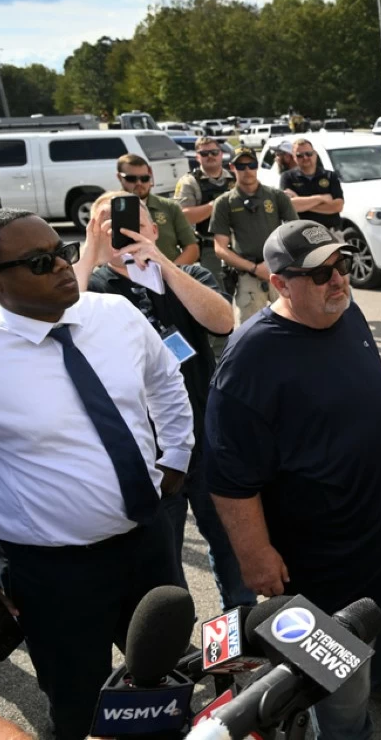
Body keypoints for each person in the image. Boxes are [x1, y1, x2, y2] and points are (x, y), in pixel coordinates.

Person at [204, 220, 381, 739]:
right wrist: (256, 557)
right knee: (337, 672)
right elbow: (229, 478)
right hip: (325, 549)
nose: (338, 279)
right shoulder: (249, 362)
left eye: (341, 265)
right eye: (319, 274)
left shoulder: (344, 311)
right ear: (280, 283)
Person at [0, 209, 192, 740]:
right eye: (40, 261)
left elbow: (166, 380)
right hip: (54, 574)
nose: (63, 265)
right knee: (81, 702)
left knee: (168, 683)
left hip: (148, 543)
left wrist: (177, 456)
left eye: (62, 249)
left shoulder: (115, 315)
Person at [72, 193, 255, 611]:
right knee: (163, 559)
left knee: (229, 543)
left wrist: (161, 263)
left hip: (207, 435)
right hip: (148, 450)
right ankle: (172, 648)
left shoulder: (185, 273)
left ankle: (239, 633)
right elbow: (65, 317)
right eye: (109, 224)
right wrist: (91, 253)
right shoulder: (95, 288)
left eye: (136, 222)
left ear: (154, 229)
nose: (124, 230)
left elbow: (222, 321)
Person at [208, 145, 297, 326]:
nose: (247, 170)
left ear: (257, 166)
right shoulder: (224, 202)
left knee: (294, 322)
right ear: (232, 168)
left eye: (251, 165)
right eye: (241, 166)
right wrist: (255, 268)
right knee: (249, 330)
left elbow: (293, 231)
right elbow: (220, 248)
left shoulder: (276, 196)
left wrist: (275, 263)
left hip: (279, 270)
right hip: (249, 275)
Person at [174, 136, 236, 287]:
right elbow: (184, 216)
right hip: (209, 246)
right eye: (204, 154)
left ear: (221, 154)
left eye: (214, 152)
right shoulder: (189, 181)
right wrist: (215, 204)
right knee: (216, 290)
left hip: (239, 245)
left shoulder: (235, 177)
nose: (210, 156)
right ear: (197, 157)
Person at [116, 154, 198, 265]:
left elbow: (192, 249)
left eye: (144, 178)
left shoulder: (169, 207)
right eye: (131, 179)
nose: (139, 183)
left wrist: (170, 274)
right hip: (124, 276)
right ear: (119, 178)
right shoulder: (108, 209)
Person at [279, 137, 344, 234]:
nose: (305, 157)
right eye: (300, 155)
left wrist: (301, 201)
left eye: (308, 154)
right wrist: (321, 198)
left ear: (315, 154)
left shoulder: (330, 176)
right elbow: (291, 205)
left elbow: (337, 206)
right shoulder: (287, 177)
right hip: (300, 234)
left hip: (330, 231)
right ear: (294, 157)